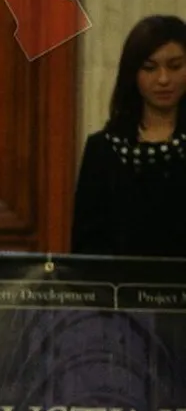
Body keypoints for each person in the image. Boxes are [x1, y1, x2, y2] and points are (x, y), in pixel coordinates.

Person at [71, 14, 186, 257]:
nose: (163, 79)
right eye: (150, 68)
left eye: (175, 67)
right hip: (119, 281)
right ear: (132, 73)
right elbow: (86, 249)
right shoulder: (103, 150)